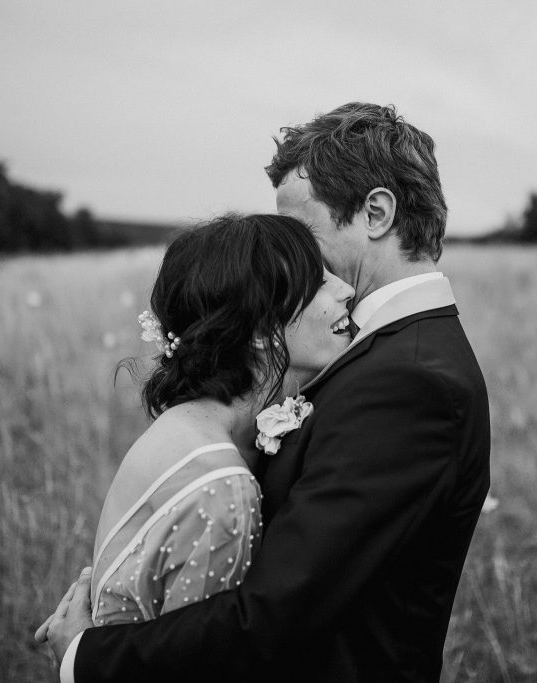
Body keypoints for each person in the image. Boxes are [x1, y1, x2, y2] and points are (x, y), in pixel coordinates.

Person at [37, 102, 491, 682]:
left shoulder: (411, 381)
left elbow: (277, 614)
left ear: (376, 213)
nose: (291, 254)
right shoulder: (381, 352)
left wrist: (86, 655)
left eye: (302, 232)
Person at [45, 213, 354, 630]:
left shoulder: (183, 424)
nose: (346, 289)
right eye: (319, 283)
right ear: (261, 332)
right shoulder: (222, 487)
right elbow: (194, 656)